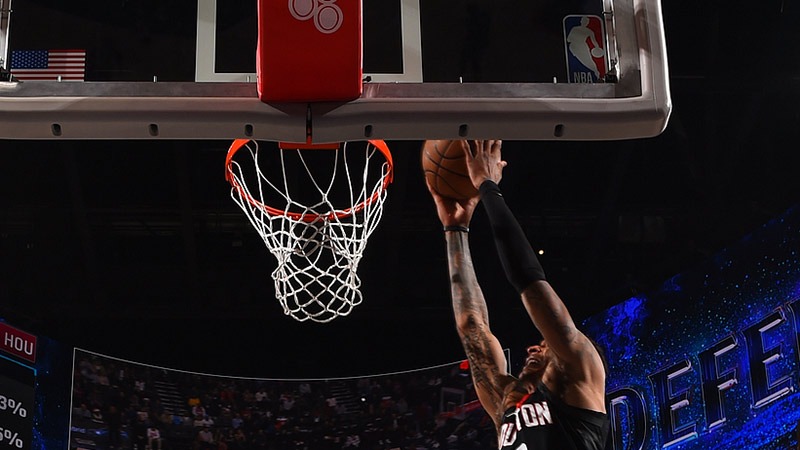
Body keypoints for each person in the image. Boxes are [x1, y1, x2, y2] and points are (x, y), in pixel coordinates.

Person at [425, 140, 609, 449]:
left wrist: (488, 186)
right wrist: (455, 229)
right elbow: (471, 327)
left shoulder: (581, 370)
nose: (534, 348)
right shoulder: (508, 400)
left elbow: (530, 282)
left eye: (545, 346)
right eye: (542, 344)